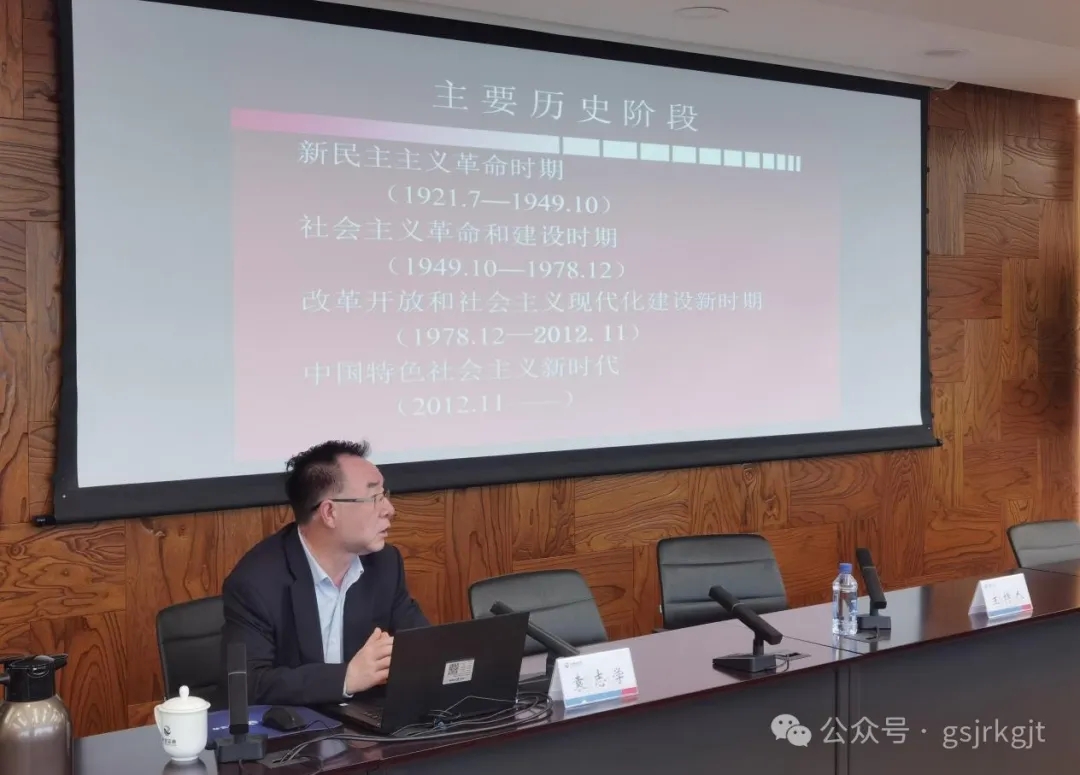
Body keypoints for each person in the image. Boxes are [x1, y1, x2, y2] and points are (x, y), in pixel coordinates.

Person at [221, 440, 428, 706]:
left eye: (385, 494)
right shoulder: (256, 583)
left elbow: (422, 646)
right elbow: (248, 684)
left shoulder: (384, 564)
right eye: (374, 497)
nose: (389, 509)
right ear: (329, 512)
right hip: (298, 727)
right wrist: (346, 678)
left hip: (366, 722)